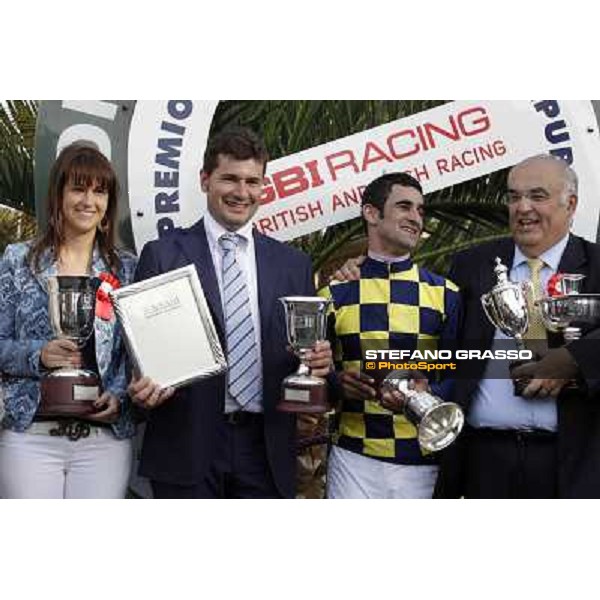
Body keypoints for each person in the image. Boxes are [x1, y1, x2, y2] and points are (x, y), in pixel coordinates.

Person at [336, 155, 600, 498]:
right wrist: (424, 381)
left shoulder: (595, 266)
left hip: (571, 465)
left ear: (571, 203)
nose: (522, 207)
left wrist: (574, 359)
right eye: (513, 196)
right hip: (482, 461)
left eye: (537, 196)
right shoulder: (472, 264)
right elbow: (454, 350)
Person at [128, 125, 332, 499]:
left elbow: (311, 359)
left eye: (253, 182)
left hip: (266, 446)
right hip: (185, 444)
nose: (242, 193)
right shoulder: (163, 255)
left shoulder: (294, 265)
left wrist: (321, 362)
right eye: (230, 179)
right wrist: (142, 386)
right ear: (205, 180)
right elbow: (140, 356)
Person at [0, 143, 137, 498]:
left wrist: (120, 396)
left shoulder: (127, 269)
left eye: (99, 190)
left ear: (108, 203)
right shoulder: (18, 261)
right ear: (58, 194)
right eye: (78, 187)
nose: (88, 200)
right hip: (30, 437)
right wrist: (38, 354)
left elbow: (135, 355)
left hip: (102, 442)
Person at [319, 172, 461, 499]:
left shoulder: (446, 293)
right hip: (352, 458)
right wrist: (337, 383)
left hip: (423, 463)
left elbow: (460, 372)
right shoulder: (333, 293)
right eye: (404, 207)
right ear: (371, 213)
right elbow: (313, 369)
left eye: (420, 210)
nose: (415, 217)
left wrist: (426, 394)